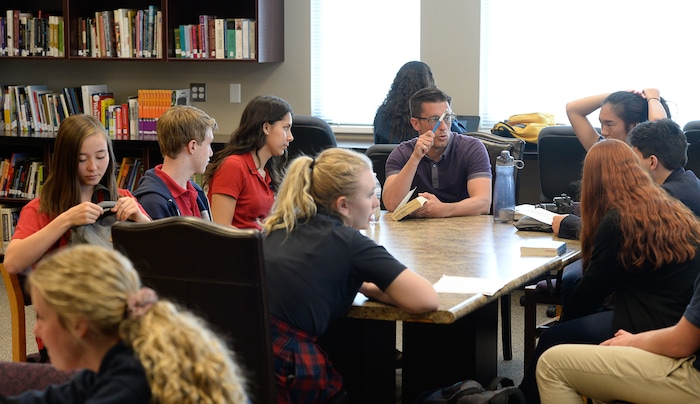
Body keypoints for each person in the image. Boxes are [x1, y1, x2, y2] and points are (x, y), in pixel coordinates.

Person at [519, 139, 700, 403]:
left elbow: (592, 291)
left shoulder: (618, 220)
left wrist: (564, 322)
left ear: (594, 182)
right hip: (679, 315)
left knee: (555, 338)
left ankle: (521, 399)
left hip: (653, 322)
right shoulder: (664, 205)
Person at [261, 148, 439, 402]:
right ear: (343, 205)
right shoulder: (350, 243)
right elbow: (426, 299)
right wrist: (364, 285)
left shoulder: (279, 226)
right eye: (369, 195)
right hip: (290, 369)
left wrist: (358, 284)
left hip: (244, 359)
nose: (377, 203)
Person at [2, 244, 248, 403]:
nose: (37, 329)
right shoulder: (117, 356)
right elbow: (51, 399)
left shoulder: (127, 386)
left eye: (42, 317)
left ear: (79, 324)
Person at [4, 114, 151, 275]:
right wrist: (66, 220)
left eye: (101, 156)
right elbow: (11, 263)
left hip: (116, 289)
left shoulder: (122, 197)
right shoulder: (42, 207)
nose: (93, 167)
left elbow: (163, 250)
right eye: (82, 160)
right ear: (65, 161)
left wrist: (140, 218)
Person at [537, 272, 700, 403]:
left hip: (693, 376)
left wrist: (632, 341)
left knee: (551, 364)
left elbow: (682, 342)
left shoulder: (618, 232)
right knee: (599, 382)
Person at [382, 87, 491, 217]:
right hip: (415, 233)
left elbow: (483, 203)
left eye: (447, 118)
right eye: (434, 119)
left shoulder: (472, 148)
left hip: (465, 231)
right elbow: (391, 204)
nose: (443, 127)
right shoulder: (402, 153)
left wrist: (443, 209)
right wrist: (415, 158)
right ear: (416, 123)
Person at [202, 95, 293, 230]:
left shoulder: (267, 172)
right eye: (286, 128)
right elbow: (220, 228)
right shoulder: (233, 166)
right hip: (241, 248)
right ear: (266, 127)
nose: (290, 137)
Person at [133, 105, 216, 220]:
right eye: (208, 144)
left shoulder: (196, 192)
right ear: (193, 146)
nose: (211, 153)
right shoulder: (153, 201)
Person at [374, 61, 466, 144]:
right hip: (424, 161)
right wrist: (447, 115)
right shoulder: (431, 114)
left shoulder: (382, 114)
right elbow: (463, 138)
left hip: (389, 162)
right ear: (428, 82)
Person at [566, 88, 671, 152]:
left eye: (609, 124)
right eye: (602, 123)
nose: (603, 132)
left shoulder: (650, 160)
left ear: (634, 126)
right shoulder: (604, 152)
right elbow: (572, 109)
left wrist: (653, 98)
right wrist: (617, 96)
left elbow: (660, 125)